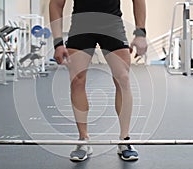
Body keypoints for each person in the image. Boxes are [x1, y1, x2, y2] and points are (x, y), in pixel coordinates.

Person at [49, 0, 148, 162]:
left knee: (123, 78)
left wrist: (141, 33)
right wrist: (58, 42)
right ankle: (83, 140)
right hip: (81, 25)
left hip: (112, 24)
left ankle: (124, 140)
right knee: (77, 80)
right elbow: (55, 4)